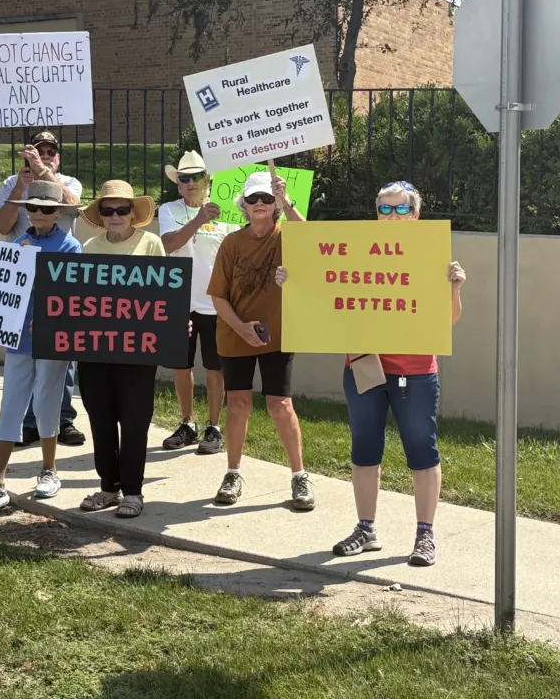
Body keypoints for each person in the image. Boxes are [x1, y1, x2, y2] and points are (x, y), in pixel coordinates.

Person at [274, 180, 467, 567]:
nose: (392, 216)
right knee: (364, 449)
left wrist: (454, 289)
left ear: (416, 214)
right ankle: (366, 528)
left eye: (401, 209)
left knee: (421, 451)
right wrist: (292, 276)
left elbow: (447, 321)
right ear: (376, 212)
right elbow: (314, 250)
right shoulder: (359, 246)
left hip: (415, 371)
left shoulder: (432, 256)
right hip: (363, 364)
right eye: (386, 209)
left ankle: (424, 535)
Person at [206, 170, 315, 511]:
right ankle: (233, 472)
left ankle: (299, 475)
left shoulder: (288, 235)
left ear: (275, 205)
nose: (259, 205)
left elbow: (314, 242)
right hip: (236, 334)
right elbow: (218, 297)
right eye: (252, 199)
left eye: (266, 199)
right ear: (243, 205)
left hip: (279, 335)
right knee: (237, 403)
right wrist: (240, 328)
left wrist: (288, 200)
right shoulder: (231, 243)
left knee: (279, 405)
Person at [0, 181, 83, 515]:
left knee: (48, 401)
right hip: (17, 339)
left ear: (58, 212)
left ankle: (49, 470)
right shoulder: (17, 243)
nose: (38, 213)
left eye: (46, 208)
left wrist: (52, 316)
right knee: (12, 404)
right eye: (32, 208)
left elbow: (74, 295)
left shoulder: (70, 247)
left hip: (52, 340)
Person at [76, 180, 167, 519]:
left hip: (138, 349)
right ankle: (107, 488)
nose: (115, 216)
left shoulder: (151, 243)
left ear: (133, 213)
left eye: (122, 209)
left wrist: (176, 322)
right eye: (108, 210)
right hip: (96, 348)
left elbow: (165, 293)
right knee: (100, 419)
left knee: (134, 421)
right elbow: (76, 300)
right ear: (100, 214)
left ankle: (133, 491)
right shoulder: (89, 247)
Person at [0, 130, 86, 448]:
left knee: (60, 355)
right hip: (22, 281)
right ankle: (30, 423)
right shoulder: (10, 183)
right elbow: (3, 225)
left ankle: (63, 420)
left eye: (51, 152)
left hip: (59, 273)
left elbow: (74, 206)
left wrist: (43, 173)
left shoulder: (69, 182)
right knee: (26, 357)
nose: (44, 155)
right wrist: (22, 186)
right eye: (38, 150)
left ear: (58, 157)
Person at [158, 150, 238, 454]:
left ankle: (214, 427)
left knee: (215, 368)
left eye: (196, 177)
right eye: (184, 178)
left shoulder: (228, 212)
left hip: (216, 303)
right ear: (178, 184)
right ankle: (187, 423)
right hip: (181, 302)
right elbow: (169, 244)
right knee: (182, 365)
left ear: (209, 180)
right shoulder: (169, 209)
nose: (190, 182)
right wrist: (199, 218)